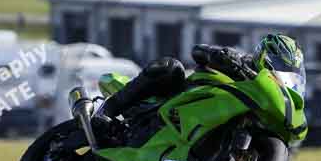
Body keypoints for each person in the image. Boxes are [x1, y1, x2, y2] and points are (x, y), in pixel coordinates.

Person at [101, 34, 305, 120]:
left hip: (212, 115)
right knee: (170, 67)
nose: (279, 73)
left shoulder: (266, 95)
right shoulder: (239, 60)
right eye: (277, 65)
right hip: (183, 95)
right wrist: (222, 56)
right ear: (265, 56)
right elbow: (198, 51)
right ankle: (109, 109)